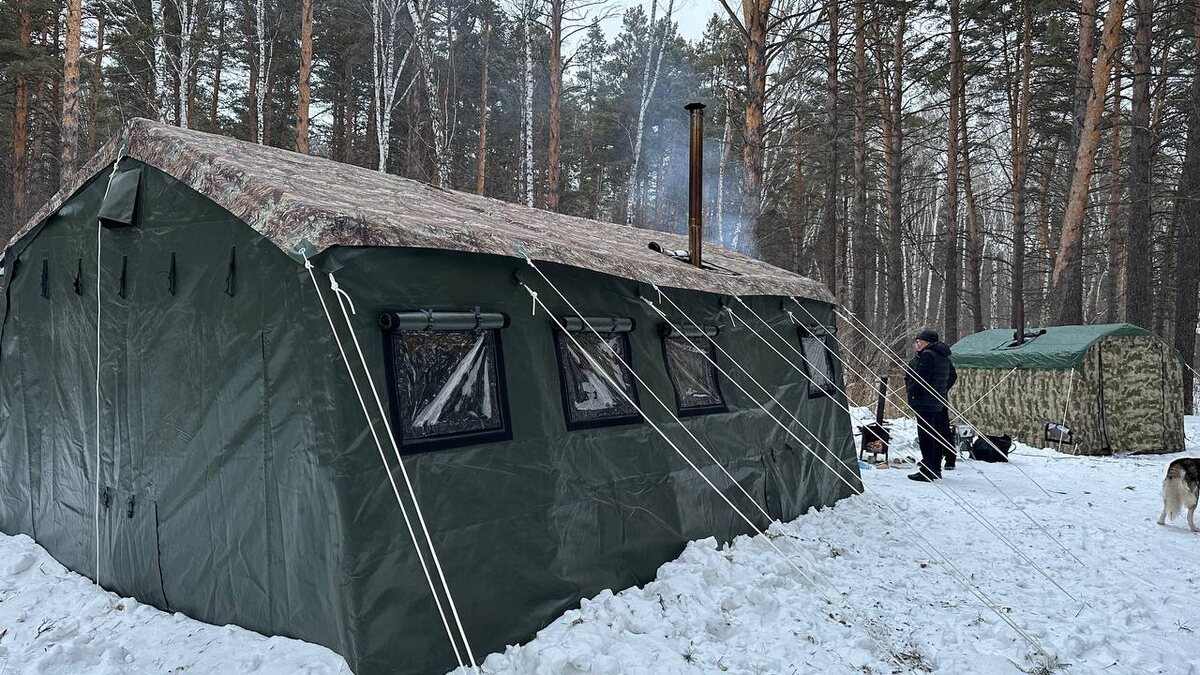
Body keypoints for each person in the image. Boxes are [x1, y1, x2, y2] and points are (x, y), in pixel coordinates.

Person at [905, 329, 957, 482]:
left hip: (925, 401)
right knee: (935, 433)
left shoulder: (928, 355)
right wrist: (942, 389)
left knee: (926, 435)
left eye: (919, 341)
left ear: (927, 342)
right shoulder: (943, 356)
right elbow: (951, 376)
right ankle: (935, 468)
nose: (917, 343)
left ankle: (927, 469)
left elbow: (921, 378)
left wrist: (911, 391)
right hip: (938, 400)